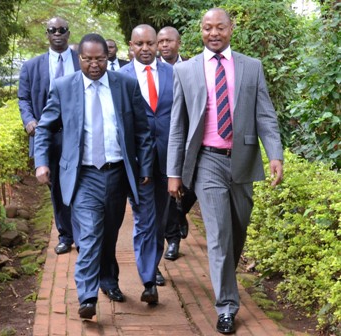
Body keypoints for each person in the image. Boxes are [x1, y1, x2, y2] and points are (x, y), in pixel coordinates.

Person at [167, 8, 283, 335]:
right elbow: (178, 128)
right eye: (207, 28)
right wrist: (173, 173)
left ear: (231, 29)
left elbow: (266, 117)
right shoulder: (186, 71)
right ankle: (227, 307)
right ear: (200, 32)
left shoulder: (251, 67)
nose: (213, 33)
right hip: (206, 161)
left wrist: (275, 154)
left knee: (238, 227)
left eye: (220, 27)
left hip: (243, 160)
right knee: (218, 235)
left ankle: (224, 279)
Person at [33, 33, 153, 319]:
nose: (94, 64)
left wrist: (145, 168)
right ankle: (87, 298)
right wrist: (41, 162)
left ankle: (108, 280)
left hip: (117, 173)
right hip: (83, 174)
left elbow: (142, 131)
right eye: (87, 59)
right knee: (88, 236)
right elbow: (45, 128)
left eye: (99, 58)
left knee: (109, 234)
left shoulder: (126, 85)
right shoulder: (64, 87)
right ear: (80, 59)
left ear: (107, 57)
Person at [118, 24, 174, 297]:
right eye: (139, 44)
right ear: (131, 45)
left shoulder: (174, 74)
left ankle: (153, 265)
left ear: (157, 44)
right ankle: (149, 280)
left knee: (160, 221)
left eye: (150, 43)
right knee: (143, 219)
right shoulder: (119, 77)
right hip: (138, 162)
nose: (145, 49)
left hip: (167, 160)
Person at [18, 17, 80, 255]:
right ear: (47, 34)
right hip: (47, 135)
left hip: (76, 134)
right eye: (53, 30)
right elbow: (23, 98)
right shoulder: (32, 66)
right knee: (55, 187)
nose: (57, 33)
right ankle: (65, 235)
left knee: (79, 183)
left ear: (68, 33)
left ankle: (82, 233)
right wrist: (29, 120)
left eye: (62, 29)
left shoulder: (80, 60)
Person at [157, 26, 197, 261]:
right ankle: (172, 240)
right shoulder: (154, 70)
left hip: (193, 138)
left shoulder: (193, 67)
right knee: (169, 189)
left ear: (178, 43)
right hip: (166, 139)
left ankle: (182, 212)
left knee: (192, 186)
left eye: (168, 41)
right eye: (160, 41)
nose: (164, 45)